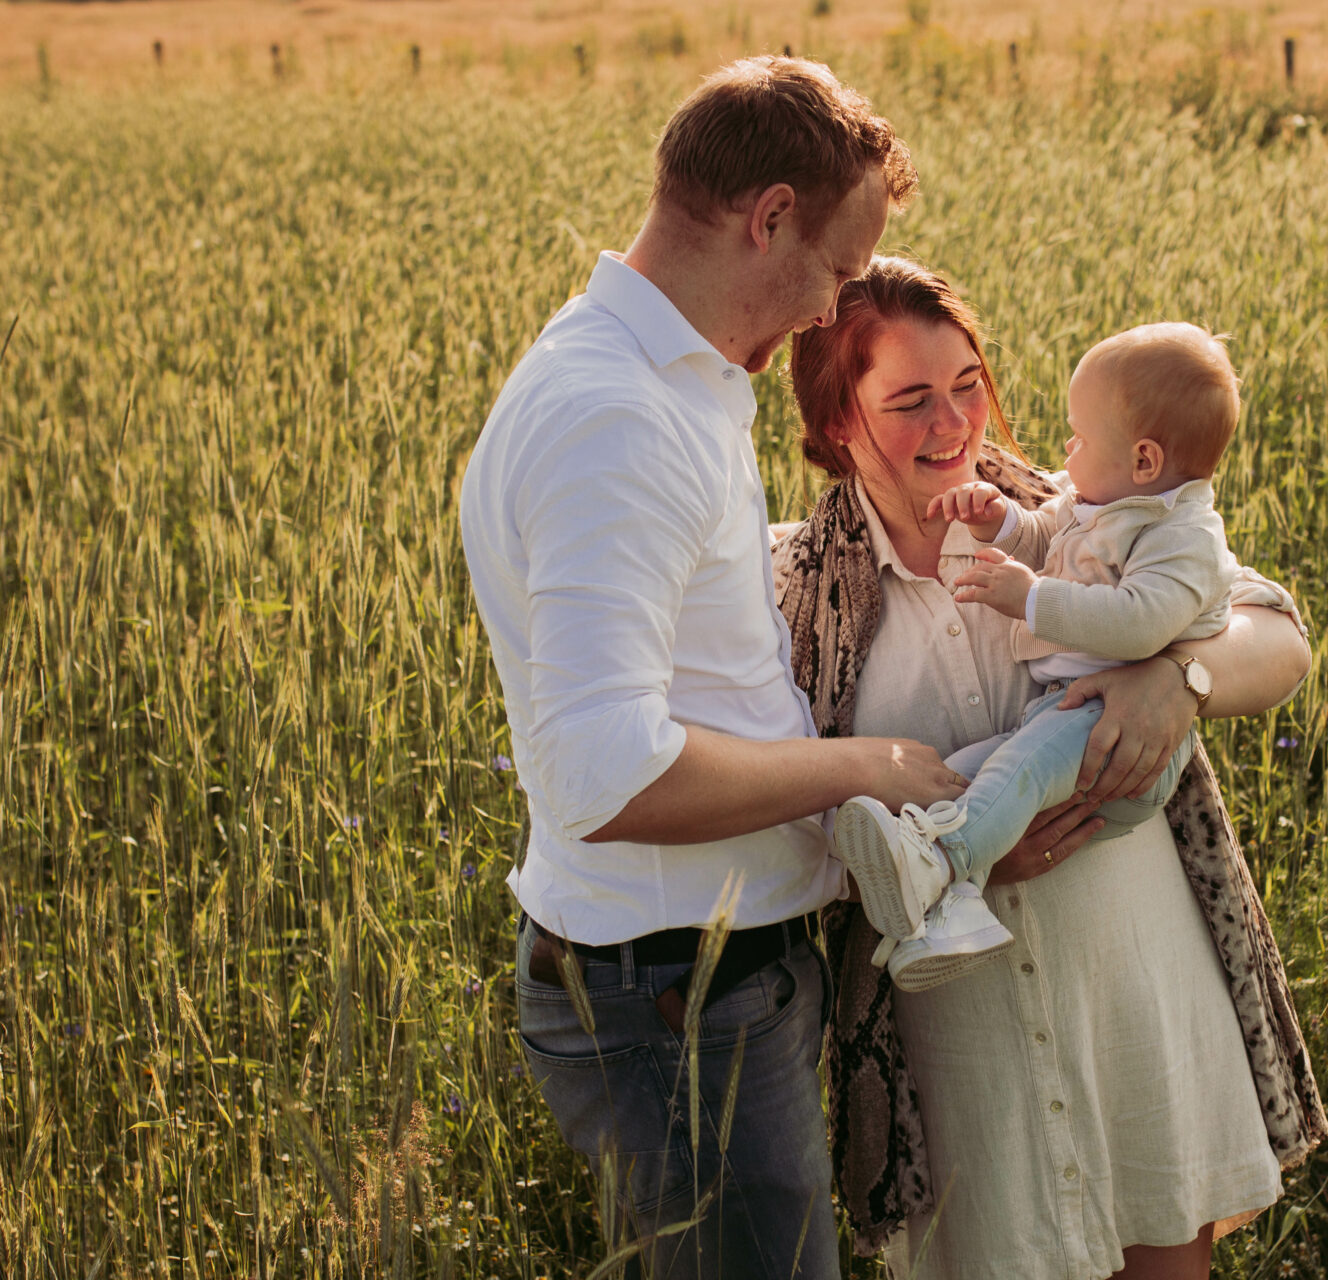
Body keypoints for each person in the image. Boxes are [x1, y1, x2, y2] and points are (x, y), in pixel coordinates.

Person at [459, 59, 960, 1278]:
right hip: (681, 1004)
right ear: (769, 215)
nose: (829, 311)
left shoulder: (666, 380)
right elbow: (604, 773)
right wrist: (864, 764)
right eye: (838, 271)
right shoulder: (616, 417)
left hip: (708, 989)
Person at [778, 257, 1328, 1278]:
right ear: (838, 421)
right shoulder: (796, 594)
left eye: (967, 385)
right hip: (961, 1047)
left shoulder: (1082, 513)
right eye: (910, 400)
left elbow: (1281, 636)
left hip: (1130, 987)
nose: (954, 425)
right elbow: (790, 821)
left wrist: (1183, 679)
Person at [833, 323, 1250, 993]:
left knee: (1016, 773)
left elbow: (1144, 623)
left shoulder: (1181, 536)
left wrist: (1033, 599)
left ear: (1143, 460)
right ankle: (949, 908)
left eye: (1080, 437)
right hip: (1059, 715)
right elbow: (1044, 533)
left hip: (1111, 741)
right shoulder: (1098, 504)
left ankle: (946, 858)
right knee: (958, 779)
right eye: (911, 400)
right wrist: (998, 521)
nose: (1066, 447)